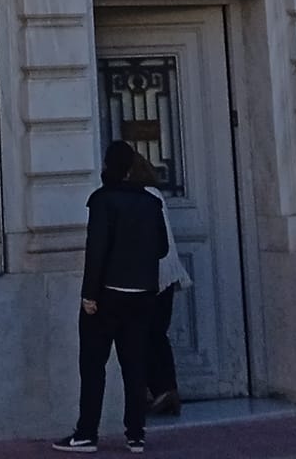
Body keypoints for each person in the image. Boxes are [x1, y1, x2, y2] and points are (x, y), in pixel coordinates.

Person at [54, 141, 167, 454]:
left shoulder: (102, 201)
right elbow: (162, 249)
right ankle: (136, 434)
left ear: (108, 167)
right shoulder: (151, 202)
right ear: (131, 168)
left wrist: (89, 294)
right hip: (143, 295)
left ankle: (87, 432)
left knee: (93, 366)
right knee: (135, 365)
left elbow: (97, 251)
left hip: (107, 295)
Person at [129, 156, 191, 418]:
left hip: (149, 276)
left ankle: (156, 391)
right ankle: (165, 391)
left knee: (143, 335)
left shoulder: (138, 197)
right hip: (165, 275)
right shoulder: (154, 194)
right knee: (156, 335)